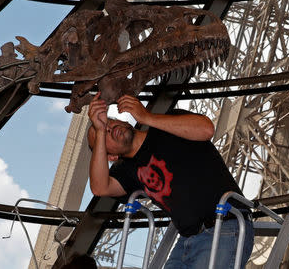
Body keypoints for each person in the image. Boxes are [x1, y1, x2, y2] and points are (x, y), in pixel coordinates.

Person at [87, 92, 254, 269]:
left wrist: (146, 117)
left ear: (124, 120)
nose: (109, 129)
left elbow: (206, 129)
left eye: (109, 123)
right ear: (111, 156)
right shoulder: (128, 172)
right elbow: (99, 188)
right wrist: (98, 129)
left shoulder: (168, 124)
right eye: (103, 137)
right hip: (187, 240)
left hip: (224, 228)